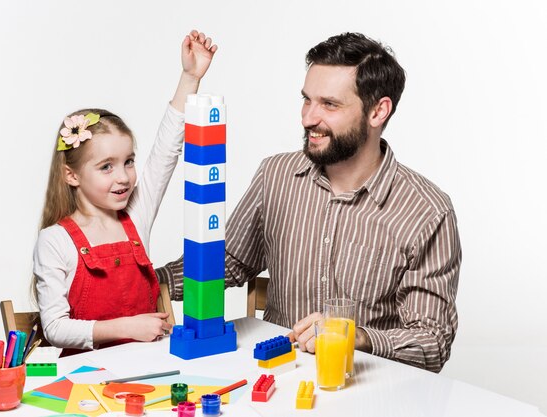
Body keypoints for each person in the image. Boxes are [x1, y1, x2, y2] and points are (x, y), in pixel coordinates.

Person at [157, 32, 461, 373]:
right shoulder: (276, 174)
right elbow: (228, 262)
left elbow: (432, 342)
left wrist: (355, 336)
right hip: (275, 377)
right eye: (307, 100)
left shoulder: (427, 211)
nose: (308, 118)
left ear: (378, 111)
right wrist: (143, 283)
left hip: (364, 389)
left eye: (329, 104)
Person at [33, 30, 217, 354]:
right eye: (106, 166)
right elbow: (55, 327)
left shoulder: (135, 214)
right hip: (85, 380)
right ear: (71, 174)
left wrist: (190, 77)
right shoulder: (55, 241)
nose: (123, 178)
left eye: (128, 162)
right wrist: (128, 327)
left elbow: (165, 153)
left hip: (146, 370)